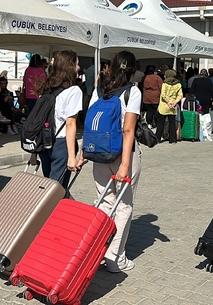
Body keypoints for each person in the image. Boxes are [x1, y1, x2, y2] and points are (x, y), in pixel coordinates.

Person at [88, 50, 141, 274]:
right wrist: (125, 164)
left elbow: (90, 121)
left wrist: (84, 152)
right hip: (122, 153)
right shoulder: (132, 92)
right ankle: (115, 258)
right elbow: (128, 129)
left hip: (98, 153)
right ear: (132, 70)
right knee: (124, 206)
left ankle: (96, 250)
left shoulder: (100, 89)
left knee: (103, 202)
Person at [37, 50, 82, 188]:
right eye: (77, 64)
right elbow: (70, 124)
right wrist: (71, 156)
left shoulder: (47, 88)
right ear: (70, 66)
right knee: (56, 190)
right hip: (61, 144)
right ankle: (52, 210)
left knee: (49, 186)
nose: (79, 67)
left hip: (44, 142)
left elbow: (38, 119)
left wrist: (34, 152)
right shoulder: (74, 91)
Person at [155, 70, 182, 144]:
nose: (164, 76)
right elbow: (180, 95)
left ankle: (158, 138)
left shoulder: (165, 84)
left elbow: (163, 95)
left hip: (164, 106)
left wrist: (168, 102)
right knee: (172, 123)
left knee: (161, 123)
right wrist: (174, 103)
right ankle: (172, 139)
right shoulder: (178, 84)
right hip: (173, 106)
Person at [190, 69, 213, 141]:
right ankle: (205, 132)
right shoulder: (209, 81)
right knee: (205, 114)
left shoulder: (196, 80)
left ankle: (198, 131)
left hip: (197, 100)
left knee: (198, 114)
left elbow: (191, 91)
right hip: (206, 100)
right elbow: (212, 91)